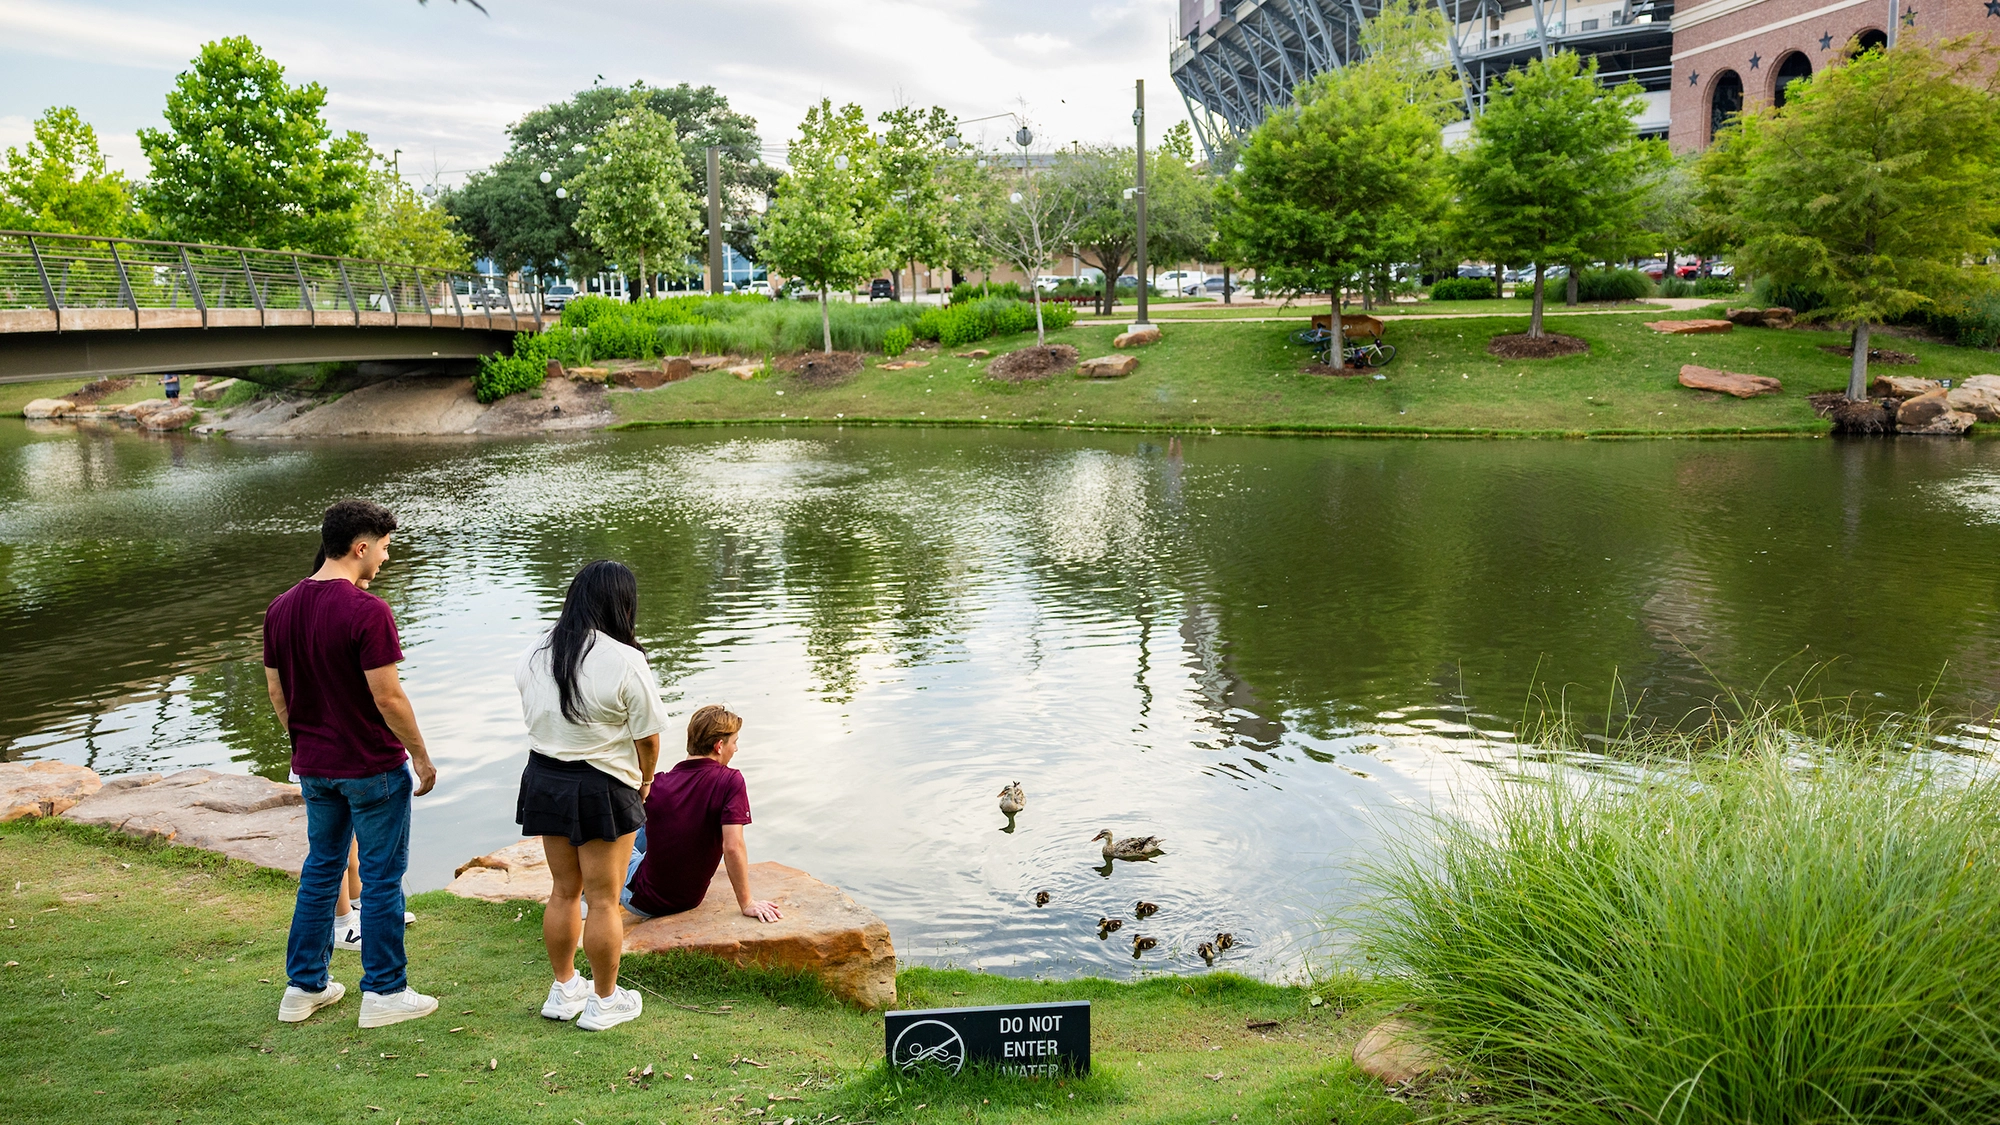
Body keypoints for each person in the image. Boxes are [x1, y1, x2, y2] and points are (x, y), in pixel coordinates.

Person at [264, 499, 440, 1028]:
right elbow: (389, 698)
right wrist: (422, 757)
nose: (386, 558)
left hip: (315, 766)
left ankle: (303, 988)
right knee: (383, 878)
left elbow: (278, 693)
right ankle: (385, 993)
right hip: (372, 769)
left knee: (321, 871)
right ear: (361, 547)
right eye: (384, 548)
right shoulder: (369, 611)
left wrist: (307, 743)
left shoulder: (280, 607)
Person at [515, 560, 663, 1031]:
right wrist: (645, 780)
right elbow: (649, 737)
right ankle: (604, 1001)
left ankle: (564, 990)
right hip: (601, 783)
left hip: (544, 777)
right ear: (621, 603)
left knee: (562, 890)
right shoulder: (623, 658)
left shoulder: (536, 649)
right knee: (603, 900)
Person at [623, 705, 782, 925]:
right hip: (687, 899)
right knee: (643, 820)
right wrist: (746, 903)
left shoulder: (658, 783)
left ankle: (586, 888)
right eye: (734, 742)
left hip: (639, 899)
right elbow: (733, 845)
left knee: (619, 821)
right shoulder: (730, 781)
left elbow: (732, 847)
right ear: (719, 746)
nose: (735, 749)